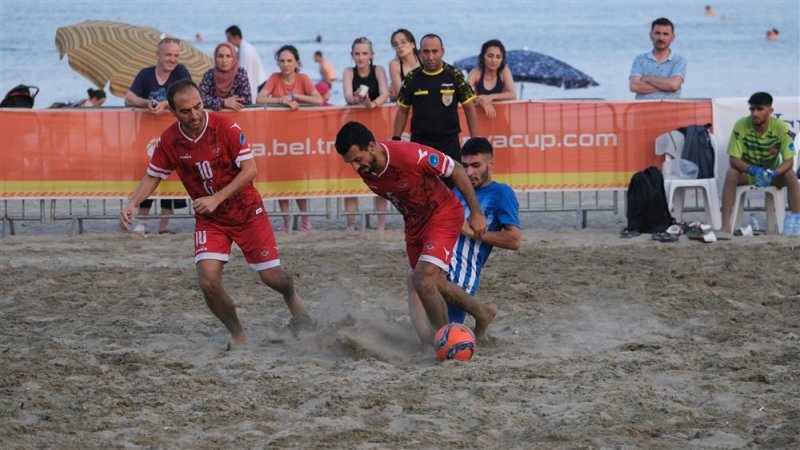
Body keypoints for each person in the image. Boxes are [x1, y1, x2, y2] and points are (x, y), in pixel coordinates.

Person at [119, 79, 314, 348]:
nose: (195, 115)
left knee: (272, 278)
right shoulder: (170, 139)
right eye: (186, 111)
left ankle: (291, 296)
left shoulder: (226, 126)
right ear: (174, 113)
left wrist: (216, 198)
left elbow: (250, 170)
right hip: (211, 220)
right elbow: (153, 176)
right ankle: (238, 334)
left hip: (247, 212)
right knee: (208, 281)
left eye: (198, 107)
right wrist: (131, 204)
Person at [335, 121, 497, 345]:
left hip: (442, 213)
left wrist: (477, 213)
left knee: (423, 280)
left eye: (357, 159)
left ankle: (445, 341)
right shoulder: (368, 170)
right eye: (350, 162)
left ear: (372, 147)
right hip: (414, 223)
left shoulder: (410, 155)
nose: (356, 167)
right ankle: (482, 313)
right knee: (431, 281)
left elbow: (456, 169)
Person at [407, 137, 520, 335]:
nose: (469, 173)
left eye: (476, 166)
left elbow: (514, 240)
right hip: (440, 255)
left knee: (440, 330)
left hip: (462, 271)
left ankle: (480, 313)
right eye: (465, 166)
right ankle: (480, 313)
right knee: (414, 275)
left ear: (491, 164)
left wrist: (471, 232)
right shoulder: (457, 191)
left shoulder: (502, 193)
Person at [124, 37, 192, 234]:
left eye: (176, 55)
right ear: (158, 56)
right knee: (148, 174)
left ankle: (164, 225)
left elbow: (190, 96)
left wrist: (167, 105)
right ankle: (143, 222)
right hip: (146, 135)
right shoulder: (145, 74)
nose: (173, 59)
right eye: (169, 55)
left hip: (174, 134)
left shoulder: (181, 72)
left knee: (170, 176)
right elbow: (129, 98)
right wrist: (148, 103)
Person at [393, 34, 479, 181]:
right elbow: (402, 110)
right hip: (420, 144)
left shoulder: (455, 75)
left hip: (449, 143)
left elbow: (470, 108)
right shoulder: (412, 77)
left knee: (452, 187)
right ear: (420, 53)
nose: (430, 57)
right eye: (426, 52)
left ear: (442, 52)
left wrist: (475, 138)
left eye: (435, 51)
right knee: (422, 186)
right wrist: (396, 138)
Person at [257, 45, 322, 231]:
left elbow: (318, 100)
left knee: (298, 178)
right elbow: (260, 98)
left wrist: (296, 97)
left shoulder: (303, 78)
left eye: (289, 61)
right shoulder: (274, 78)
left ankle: (305, 219)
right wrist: (281, 100)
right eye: (282, 61)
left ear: (297, 63)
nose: (285, 64)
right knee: (281, 178)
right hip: (277, 136)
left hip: (299, 137)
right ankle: (286, 221)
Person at [721, 92, 800, 233]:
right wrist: (753, 170)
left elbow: (789, 161)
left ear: (770, 111)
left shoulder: (781, 127)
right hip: (750, 174)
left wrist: (774, 172)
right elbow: (733, 160)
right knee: (731, 173)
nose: (755, 113)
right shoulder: (741, 125)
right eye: (752, 109)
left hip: (772, 174)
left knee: (791, 175)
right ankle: (726, 226)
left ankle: (797, 222)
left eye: (760, 109)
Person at [342, 37, 390, 231]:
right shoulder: (348, 72)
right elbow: (346, 96)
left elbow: (385, 93)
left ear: (371, 55)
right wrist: (356, 99)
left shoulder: (379, 70)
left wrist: (373, 104)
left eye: (364, 53)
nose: (360, 57)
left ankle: (380, 223)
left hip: (377, 124)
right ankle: (351, 223)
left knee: (379, 169)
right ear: (352, 55)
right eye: (357, 53)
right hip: (354, 126)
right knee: (351, 173)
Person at [629, 17, 686, 99]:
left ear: (672, 38)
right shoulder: (640, 59)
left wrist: (649, 78)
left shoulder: (679, 61)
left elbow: (673, 85)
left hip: (670, 110)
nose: (661, 38)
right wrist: (666, 85)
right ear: (651, 36)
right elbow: (634, 86)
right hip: (642, 110)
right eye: (657, 33)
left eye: (665, 34)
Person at [467, 39, 517, 119]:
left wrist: (491, 97)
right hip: (480, 120)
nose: (494, 60)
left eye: (498, 57)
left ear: (502, 59)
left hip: (501, 121)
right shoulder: (476, 72)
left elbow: (512, 95)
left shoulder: (504, 71)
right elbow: (464, 92)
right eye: (490, 56)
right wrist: (482, 101)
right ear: (483, 57)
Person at [198, 42, 252, 111]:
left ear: (234, 58)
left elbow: (247, 99)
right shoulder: (209, 74)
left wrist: (218, 102)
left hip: (236, 116)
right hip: (214, 117)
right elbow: (199, 99)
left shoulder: (240, 73)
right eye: (220, 56)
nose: (224, 60)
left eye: (228, 56)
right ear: (215, 58)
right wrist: (223, 102)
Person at [226, 25, 268, 98]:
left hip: (259, 84)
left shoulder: (246, 50)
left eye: (229, 38)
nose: (228, 41)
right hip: (260, 82)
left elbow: (245, 73)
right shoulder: (242, 48)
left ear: (236, 37)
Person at [387, 29, 420, 101]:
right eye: (396, 44)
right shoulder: (394, 65)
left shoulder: (423, 58)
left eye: (403, 42)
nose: (399, 46)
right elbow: (401, 95)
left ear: (413, 44)